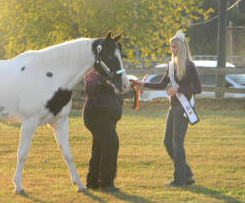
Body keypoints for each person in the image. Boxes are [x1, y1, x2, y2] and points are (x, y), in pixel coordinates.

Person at [130, 30, 202, 187]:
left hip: (183, 109)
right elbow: (162, 84)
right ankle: (186, 174)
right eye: (171, 47)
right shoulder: (171, 65)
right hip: (173, 108)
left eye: (174, 47)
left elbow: (198, 89)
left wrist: (178, 89)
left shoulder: (189, 66)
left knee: (177, 144)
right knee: (167, 142)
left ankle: (180, 180)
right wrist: (141, 83)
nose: (172, 50)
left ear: (182, 48)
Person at [83, 69, 123, 192]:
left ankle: (93, 182)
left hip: (107, 115)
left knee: (99, 147)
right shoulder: (94, 74)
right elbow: (90, 87)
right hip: (97, 114)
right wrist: (106, 83)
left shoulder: (115, 73)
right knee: (111, 144)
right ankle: (106, 183)